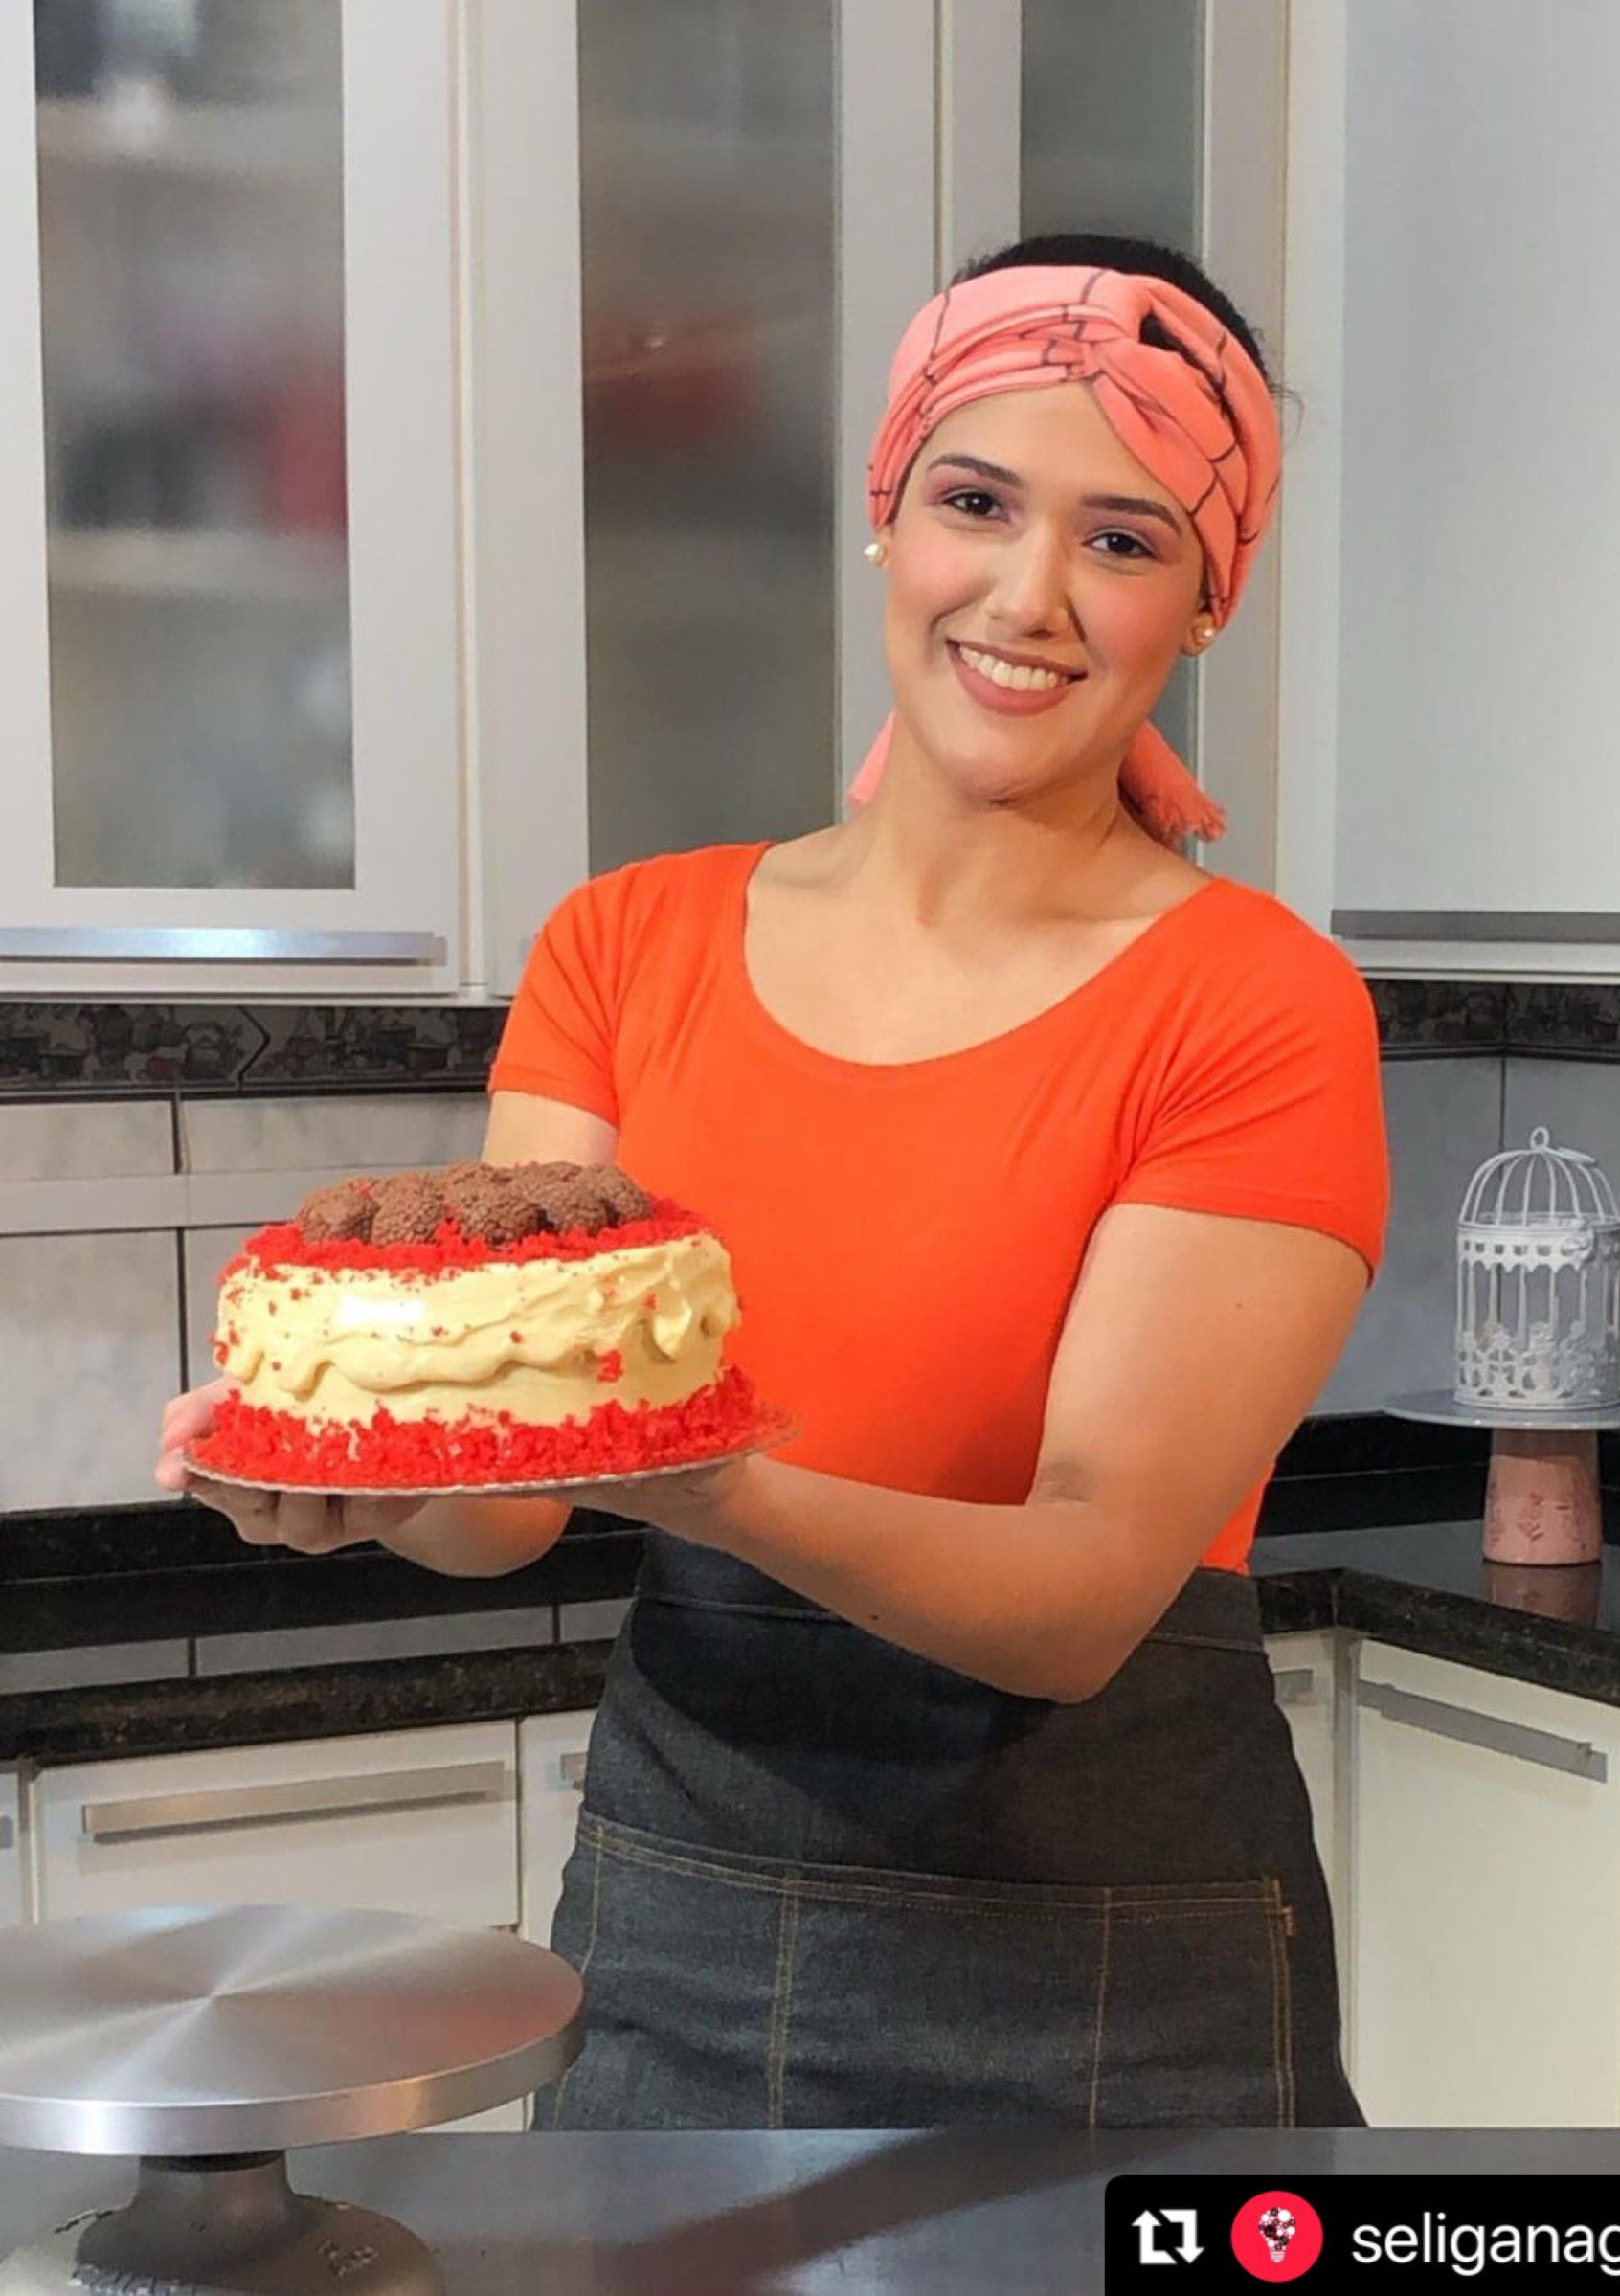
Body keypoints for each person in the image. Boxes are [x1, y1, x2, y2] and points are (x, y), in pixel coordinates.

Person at [157, 232, 1389, 2130]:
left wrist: (714, 1484)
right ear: (888, 515)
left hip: (1119, 1957)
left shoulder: (1257, 1006)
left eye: (1126, 538)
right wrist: (367, 1483)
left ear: (1207, 603)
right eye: (977, 500)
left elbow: (1078, 1594)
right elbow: (516, 1491)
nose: (1032, 593)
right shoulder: (627, 944)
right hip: (682, 1915)